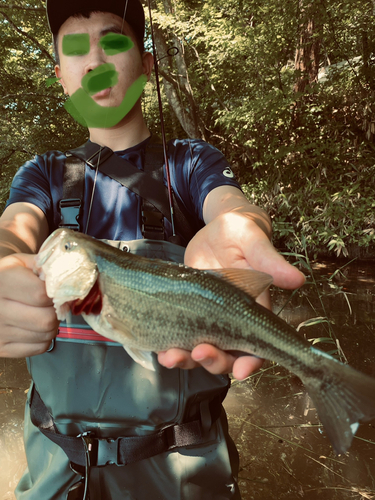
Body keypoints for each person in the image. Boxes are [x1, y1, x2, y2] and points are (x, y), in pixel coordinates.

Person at [0, 1, 305, 498]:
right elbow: (14, 231)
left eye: (112, 41)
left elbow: (230, 207)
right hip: (58, 470)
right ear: (60, 76)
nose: (94, 61)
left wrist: (241, 226)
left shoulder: (190, 165)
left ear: (145, 62)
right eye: (76, 50)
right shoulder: (43, 175)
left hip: (183, 471)